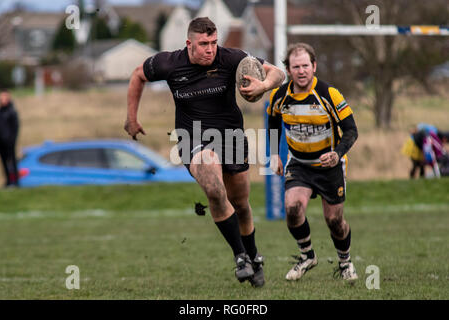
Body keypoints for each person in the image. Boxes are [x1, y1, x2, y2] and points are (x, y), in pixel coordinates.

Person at [124, 17, 285, 287]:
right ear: (189, 43)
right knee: (214, 187)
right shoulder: (169, 63)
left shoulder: (231, 58)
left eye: (213, 42)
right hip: (192, 139)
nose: (210, 49)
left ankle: (253, 255)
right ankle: (240, 256)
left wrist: (264, 85)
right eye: (203, 44)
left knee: (241, 204)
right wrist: (131, 117)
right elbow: (138, 74)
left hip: (231, 137)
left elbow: (278, 73)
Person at [267, 43, 359, 282]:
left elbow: (351, 131)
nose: (301, 71)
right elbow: (273, 120)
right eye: (296, 66)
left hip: (329, 166)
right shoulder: (280, 95)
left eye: (305, 65)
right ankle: (307, 256)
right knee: (292, 208)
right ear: (288, 69)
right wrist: (274, 154)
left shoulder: (330, 94)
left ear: (314, 66)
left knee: (334, 221)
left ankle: (345, 263)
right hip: (298, 164)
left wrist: (337, 153)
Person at [0, 89, 20, 187]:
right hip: (1, 142)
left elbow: (15, 128)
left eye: (4, 97)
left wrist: (12, 140)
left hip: (9, 142)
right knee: (4, 162)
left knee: (12, 162)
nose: (2, 99)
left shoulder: (12, 111)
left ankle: (15, 182)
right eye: (1, 97)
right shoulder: (0, 111)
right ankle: (8, 181)